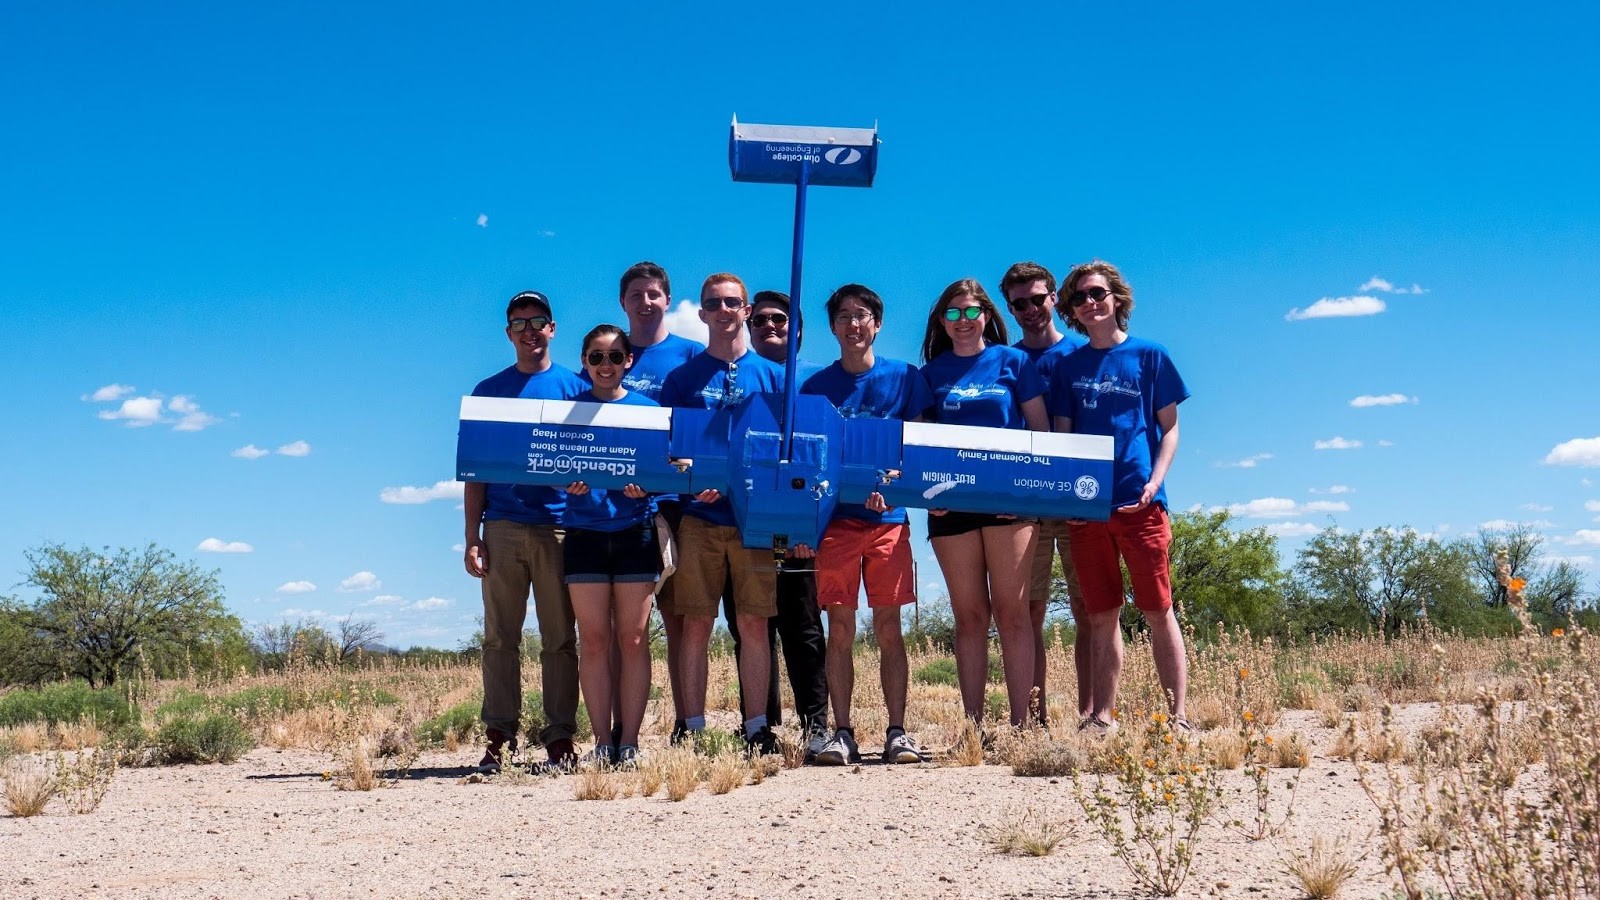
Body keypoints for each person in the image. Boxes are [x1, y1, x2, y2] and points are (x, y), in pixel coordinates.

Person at [1049, 260, 1191, 734]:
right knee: (1101, 613)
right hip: (1088, 508)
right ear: (1071, 310)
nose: (1090, 303)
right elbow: (1063, 438)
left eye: (1097, 294)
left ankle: (1178, 718)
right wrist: (1068, 498)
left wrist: (1155, 483)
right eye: (1080, 298)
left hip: (1141, 502)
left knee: (1158, 609)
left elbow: (1170, 429)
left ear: (1116, 298)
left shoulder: (1151, 356)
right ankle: (1101, 718)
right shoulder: (1068, 367)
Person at [801, 283, 932, 764]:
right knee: (839, 627)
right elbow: (809, 457)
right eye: (843, 317)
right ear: (832, 327)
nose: (853, 325)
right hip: (836, 524)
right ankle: (842, 732)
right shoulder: (815, 388)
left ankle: (897, 732)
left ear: (877, 323)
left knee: (889, 627)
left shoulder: (905, 378)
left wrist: (896, 484)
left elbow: (919, 448)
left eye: (862, 316)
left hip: (888, 521)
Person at [659, 273, 785, 754]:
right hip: (699, 519)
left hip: (754, 522)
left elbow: (784, 450)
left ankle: (757, 727)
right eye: (715, 303)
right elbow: (668, 448)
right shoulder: (683, 379)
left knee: (754, 623)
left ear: (746, 310)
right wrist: (693, 478)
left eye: (733, 302)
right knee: (695, 622)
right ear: (703, 313)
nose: (724, 310)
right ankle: (691, 727)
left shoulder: (773, 377)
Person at [463, 290, 587, 772]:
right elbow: (474, 473)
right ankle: (499, 737)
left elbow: (595, 461)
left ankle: (559, 739)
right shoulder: (487, 392)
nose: (530, 330)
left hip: (559, 527)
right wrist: (472, 536)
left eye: (539, 322)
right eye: (520, 323)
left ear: (553, 328)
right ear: (508, 333)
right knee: (500, 638)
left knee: (560, 638)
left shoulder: (575, 389)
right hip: (504, 527)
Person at [919, 278, 1049, 729]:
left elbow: (1041, 435)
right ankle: (973, 727)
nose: (963, 321)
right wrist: (925, 496)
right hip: (949, 509)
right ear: (942, 321)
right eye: (952, 313)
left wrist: (1029, 493)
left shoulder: (1013, 362)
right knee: (970, 617)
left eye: (971, 311)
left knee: (1013, 613)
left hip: (1010, 507)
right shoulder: (932, 374)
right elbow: (918, 440)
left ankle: (1023, 727)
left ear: (988, 316)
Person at [610, 261, 704, 745]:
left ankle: (688, 722)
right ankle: (624, 733)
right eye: (636, 295)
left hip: (682, 505)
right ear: (622, 303)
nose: (645, 302)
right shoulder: (610, 355)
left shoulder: (692, 358)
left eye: (654, 294)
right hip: (624, 510)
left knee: (683, 617)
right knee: (635, 625)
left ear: (668, 299)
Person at [562, 325, 662, 767]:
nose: (607, 365)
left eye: (615, 357)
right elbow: (550, 465)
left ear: (629, 361)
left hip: (635, 532)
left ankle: (631, 744)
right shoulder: (566, 413)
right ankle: (602, 742)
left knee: (635, 638)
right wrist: (568, 484)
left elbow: (665, 472)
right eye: (597, 357)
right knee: (595, 641)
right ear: (584, 362)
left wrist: (649, 490)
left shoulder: (650, 411)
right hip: (583, 534)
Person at [739, 289, 831, 757]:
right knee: (752, 626)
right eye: (762, 321)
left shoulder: (815, 382)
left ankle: (816, 724)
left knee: (802, 623)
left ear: (797, 329)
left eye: (782, 319)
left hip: (799, 528)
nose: (771, 327)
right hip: (750, 525)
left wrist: (811, 526)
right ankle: (759, 727)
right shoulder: (743, 379)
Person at [999, 261, 1086, 728]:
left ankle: (1093, 714)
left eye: (1037, 299)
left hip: (1077, 501)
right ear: (1010, 309)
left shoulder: (1081, 354)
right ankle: (1034, 718)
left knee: (1087, 607)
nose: (1030, 310)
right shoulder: (1007, 362)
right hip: (1026, 506)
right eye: (1020, 304)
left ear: (1054, 298)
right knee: (1027, 609)